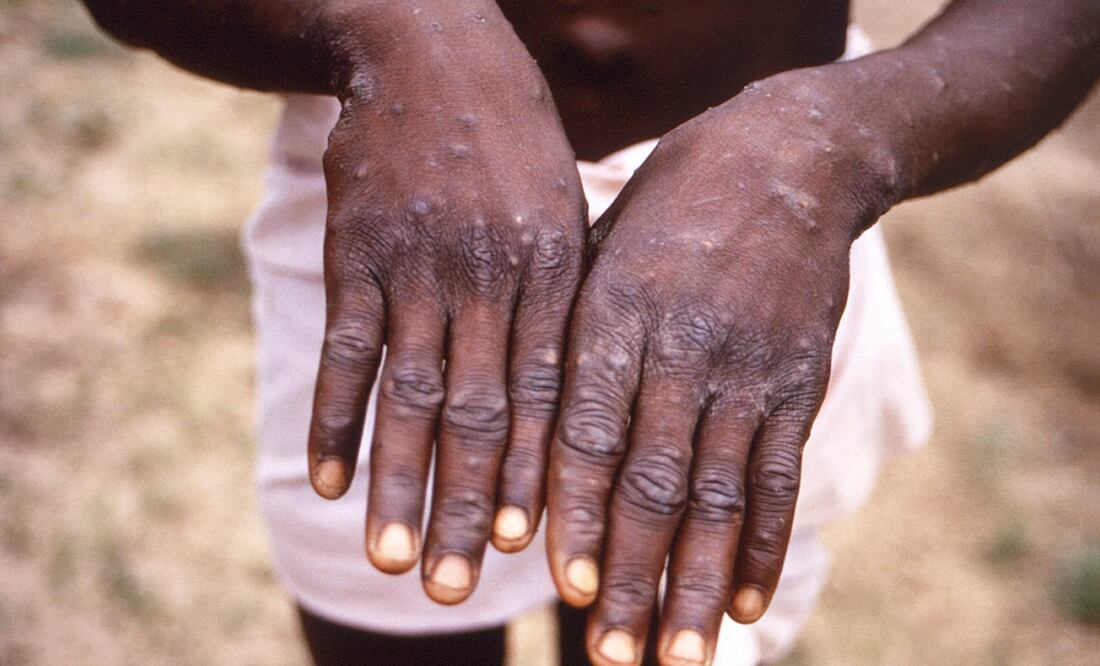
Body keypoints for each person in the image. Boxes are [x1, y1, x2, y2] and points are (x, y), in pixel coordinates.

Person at [80, 1, 1099, 665]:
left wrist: (838, 144)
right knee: (386, 625)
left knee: (666, 633)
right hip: (409, 170)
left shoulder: (805, 170)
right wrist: (385, 25)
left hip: (757, 219)